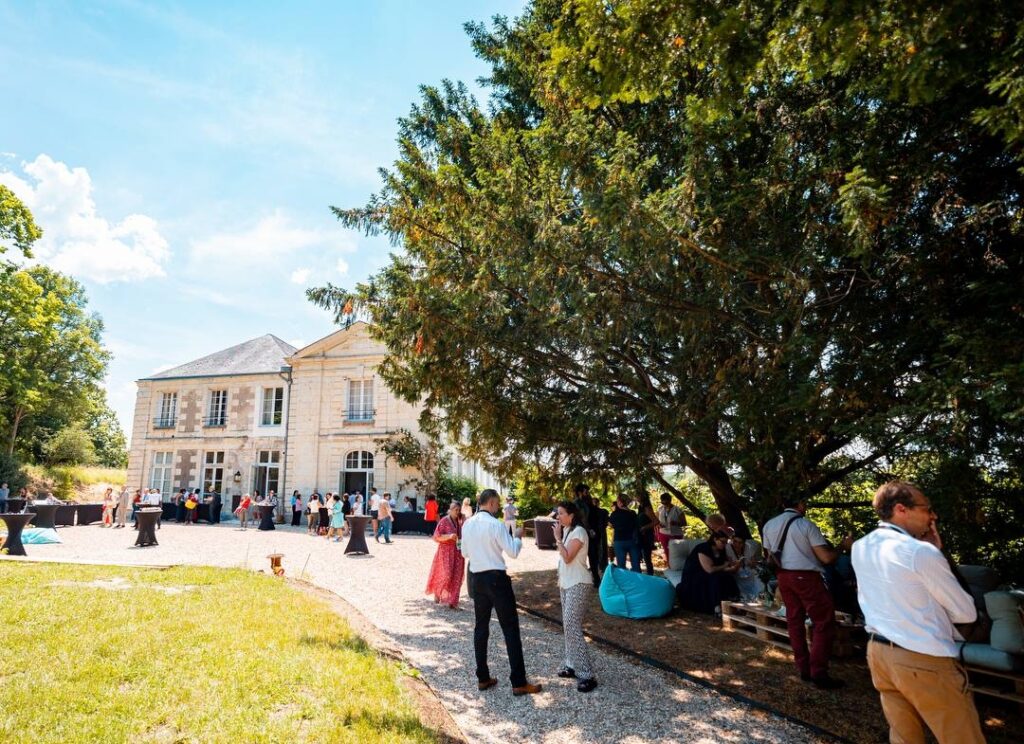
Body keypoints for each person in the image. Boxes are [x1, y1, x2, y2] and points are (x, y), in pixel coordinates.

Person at [852, 482, 985, 744]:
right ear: (901, 509)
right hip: (923, 656)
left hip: (879, 653)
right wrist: (938, 553)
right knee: (961, 736)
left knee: (903, 736)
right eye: (927, 509)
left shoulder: (861, 546)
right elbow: (966, 612)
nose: (932, 516)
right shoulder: (919, 552)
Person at [763, 496, 852, 689]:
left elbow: (769, 556)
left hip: (783, 576)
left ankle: (803, 667)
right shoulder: (806, 525)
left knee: (794, 620)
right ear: (800, 504)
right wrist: (843, 547)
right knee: (823, 621)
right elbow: (826, 558)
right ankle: (818, 672)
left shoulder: (769, 525)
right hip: (806, 577)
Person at [461, 489, 541, 696]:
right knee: (510, 629)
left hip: (476, 577)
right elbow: (512, 552)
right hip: (496, 578)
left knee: (481, 627)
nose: (498, 508)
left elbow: (465, 553)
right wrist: (517, 537)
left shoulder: (468, 524)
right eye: (497, 505)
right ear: (493, 503)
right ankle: (518, 681)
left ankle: (483, 677)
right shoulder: (495, 524)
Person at [552, 501, 598, 692]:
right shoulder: (570, 531)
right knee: (568, 626)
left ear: (571, 515)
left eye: (561, 513)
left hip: (579, 584)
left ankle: (587, 674)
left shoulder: (579, 532)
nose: (558, 517)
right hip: (567, 584)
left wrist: (558, 539)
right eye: (558, 514)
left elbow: (568, 556)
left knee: (572, 626)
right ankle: (571, 664)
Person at [676, 530, 740, 613]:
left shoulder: (721, 550)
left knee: (727, 577)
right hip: (695, 575)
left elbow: (722, 566)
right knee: (715, 579)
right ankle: (716, 606)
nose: (724, 545)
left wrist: (732, 567)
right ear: (715, 539)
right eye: (722, 542)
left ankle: (732, 601)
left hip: (712, 572)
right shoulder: (703, 548)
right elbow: (709, 569)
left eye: (726, 542)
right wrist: (725, 565)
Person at [425, 501, 465, 608]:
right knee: (446, 575)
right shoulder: (444, 521)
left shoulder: (459, 521)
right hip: (446, 552)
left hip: (457, 552)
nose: (458, 512)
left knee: (457, 575)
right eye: (456, 510)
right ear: (450, 510)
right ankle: (438, 593)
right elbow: (436, 537)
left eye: (459, 510)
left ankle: (452, 602)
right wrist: (448, 536)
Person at [609, 495, 642, 572]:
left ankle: (624, 583)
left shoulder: (615, 513)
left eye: (617, 501)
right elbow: (636, 526)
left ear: (620, 502)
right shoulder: (633, 513)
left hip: (619, 541)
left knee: (621, 566)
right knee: (636, 565)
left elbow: (610, 524)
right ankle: (637, 581)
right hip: (632, 540)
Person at [726, 535, 764, 600]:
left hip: (748, 569)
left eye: (740, 543)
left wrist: (752, 564)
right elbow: (732, 568)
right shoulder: (728, 548)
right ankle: (744, 598)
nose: (737, 544)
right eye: (735, 541)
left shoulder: (749, 546)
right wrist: (737, 565)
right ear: (732, 540)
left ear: (743, 543)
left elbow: (753, 564)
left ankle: (760, 595)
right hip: (735, 571)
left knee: (757, 575)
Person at [656, 493, 686, 568]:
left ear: (670, 500)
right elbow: (656, 521)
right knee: (667, 552)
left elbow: (684, 523)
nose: (664, 504)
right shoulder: (660, 508)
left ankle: (679, 567)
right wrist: (659, 525)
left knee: (677, 552)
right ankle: (671, 567)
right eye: (663, 502)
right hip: (663, 534)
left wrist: (676, 523)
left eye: (666, 502)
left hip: (676, 534)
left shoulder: (677, 510)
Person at [636, 492, 657, 575]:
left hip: (647, 536)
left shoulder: (647, 507)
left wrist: (644, 528)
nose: (636, 497)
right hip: (641, 535)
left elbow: (656, 521)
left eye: (637, 495)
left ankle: (650, 575)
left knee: (647, 558)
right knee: (641, 557)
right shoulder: (640, 507)